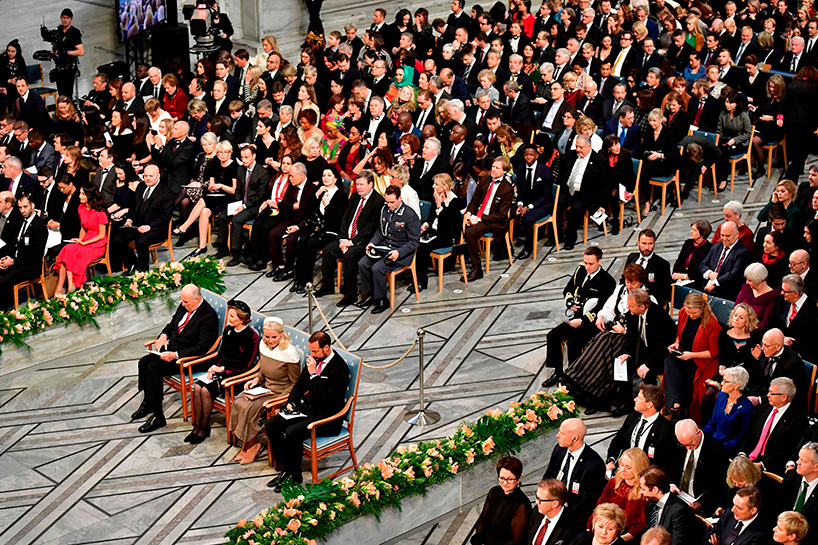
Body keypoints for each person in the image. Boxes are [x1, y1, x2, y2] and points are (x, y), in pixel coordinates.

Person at [265, 331, 349, 490]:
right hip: (309, 410)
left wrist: (314, 374)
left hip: (327, 417)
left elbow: (325, 399)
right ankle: (286, 468)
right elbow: (300, 385)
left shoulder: (339, 369)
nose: (312, 354)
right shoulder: (315, 360)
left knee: (292, 432)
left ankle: (294, 475)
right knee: (272, 424)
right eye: (311, 351)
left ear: (326, 348)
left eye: (315, 351)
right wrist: (291, 402)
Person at [131, 285, 220, 433]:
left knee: (153, 368)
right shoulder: (185, 306)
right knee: (144, 362)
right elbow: (172, 324)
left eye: (186, 302)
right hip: (174, 350)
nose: (183, 304)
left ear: (197, 299)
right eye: (182, 301)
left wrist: (175, 355)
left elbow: (202, 348)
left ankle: (158, 416)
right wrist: (163, 335)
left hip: (190, 359)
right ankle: (149, 402)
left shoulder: (208, 316)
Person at [230, 317, 300, 464]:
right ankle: (247, 444)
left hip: (280, 393)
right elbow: (263, 370)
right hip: (265, 388)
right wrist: (256, 379)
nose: (270, 341)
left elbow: (295, 383)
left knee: (249, 407)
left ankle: (253, 446)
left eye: (274, 337)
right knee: (239, 401)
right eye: (267, 337)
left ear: (281, 334)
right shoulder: (263, 345)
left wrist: (279, 401)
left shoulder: (289, 352)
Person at [543, 245, 616, 387]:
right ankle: (558, 372)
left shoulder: (607, 281)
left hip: (592, 323)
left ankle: (574, 377)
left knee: (573, 343)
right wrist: (570, 302)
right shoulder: (580, 270)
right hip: (576, 317)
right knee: (553, 336)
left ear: (599, 261)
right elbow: (568, 289)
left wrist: (582, 321)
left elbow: (602, 307)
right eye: (585, 262)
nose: (587, 267)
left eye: (591, 264)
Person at [188, 300, 259, 444]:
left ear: (242, 318)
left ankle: (203, 428)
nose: (228, 319)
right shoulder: (228, 330)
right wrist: (214, 368)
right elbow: (221, 354)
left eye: (232, 316)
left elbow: (245, 365)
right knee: (198, 387)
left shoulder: (252, 337)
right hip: (221, 371)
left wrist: (223, 369)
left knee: (205, 391)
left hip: (236, 376)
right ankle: (197, 427)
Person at [316, 171, 385, 305]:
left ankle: (350, 294)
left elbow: (371, 228)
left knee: (350, 256)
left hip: (363, 241)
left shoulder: (378, 201)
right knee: (328, 251)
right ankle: (327, 286)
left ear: (370, 184)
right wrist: (343, 239)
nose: (358, 187)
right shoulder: (354, 197)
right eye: (357, 184)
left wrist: (352, 242)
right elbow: (345, 218)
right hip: (346, 237)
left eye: (361, 185)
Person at [356, 185, 420, 313]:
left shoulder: (409, 215)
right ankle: (369, 295)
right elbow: (381, 230)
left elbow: (414, 241)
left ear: (400, 199)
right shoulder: (385, 209)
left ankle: (382, 299)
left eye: (392, 202)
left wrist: (399, 252)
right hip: (385, 247)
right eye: (387, 202)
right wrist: (372, 243)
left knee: (377, 268)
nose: (389, 205)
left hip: (402, 252)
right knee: (363, 263)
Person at [662, 292, 721, 423]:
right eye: (688, 312)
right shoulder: (683, 312)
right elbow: (679, 333)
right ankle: (676, 404)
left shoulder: (711, 323)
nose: (690, 315)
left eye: (694, 313)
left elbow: (713, 352)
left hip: (699, 362)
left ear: (702, 308)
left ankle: (675, 406)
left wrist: (691, 355)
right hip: (684, 355)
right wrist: (676, 344)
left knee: (675, 374)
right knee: (669, 361)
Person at [289, 167, 349, 293]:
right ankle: (298, 279)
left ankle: (306, 280)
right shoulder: (319, 191)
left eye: (329, 175)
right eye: (324, 175)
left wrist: (327, 205)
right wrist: (316, 195)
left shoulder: (341, 195)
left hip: (332, 231)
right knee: (302, 241)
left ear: (335, 178)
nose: (326, 178)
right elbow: (307, 211)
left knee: (310, 244)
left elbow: (337, 220)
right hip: (318, 229)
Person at [542, 418, 607, 531]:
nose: (557, 435)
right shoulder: (559, 449)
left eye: (562, 433)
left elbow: (587, 502)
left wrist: (561, 515)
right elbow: (548, 476)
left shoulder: (594, 464)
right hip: (551, 504)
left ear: (575, 438)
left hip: (573, 516)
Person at [109, 165, 174, 272]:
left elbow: (166, 216)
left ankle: (143, 271)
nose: (147, 178)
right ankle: (134, 263)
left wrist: (149, 226)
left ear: (158, 176)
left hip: (156, 228)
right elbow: (133, 206)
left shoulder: (166, 192)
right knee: (117, 238)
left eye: (151, 176)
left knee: (141, 241)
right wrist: (130, 219)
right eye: (145, 176)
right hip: (138, 224)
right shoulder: (141, 186)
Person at [739, 377, 809, 475]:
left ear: (784, 397)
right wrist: (742, 453)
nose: (767, 395)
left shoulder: (798, 420)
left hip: (771, 467)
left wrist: (762, 464)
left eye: (772, 393)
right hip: (748, 459)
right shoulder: (764, 408)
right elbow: (750, 433)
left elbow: (788, 450)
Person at [462, 156, 515, 281]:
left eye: (497, 168)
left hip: (494, 220)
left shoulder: (507, 189)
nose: (494, 170)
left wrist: (479, 220)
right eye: (493, 167)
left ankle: (476, 268)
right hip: (479, 214)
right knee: (460, 222)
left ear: (504, 171)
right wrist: (469, 213)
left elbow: (501, 215)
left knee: (470, 232)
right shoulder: (485, 180)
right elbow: (475, 200)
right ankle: (462, 254)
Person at [607, 384, 680, 474]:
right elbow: (618, 440)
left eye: (639, 398)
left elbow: (666, 462)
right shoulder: (633, 417)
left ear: (649, 404)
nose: (635, 399)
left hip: (646, 475)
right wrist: (611, 460)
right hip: (623, 469)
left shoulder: (666, 429)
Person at [52, 184, 108, 294]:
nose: (80, 196)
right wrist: (80, 240)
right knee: (67, 249)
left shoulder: (100, 212)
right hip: (86, 240)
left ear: (90, 195)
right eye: (80, 193)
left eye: (83, 194)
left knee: (70, 252)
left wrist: (85, 243)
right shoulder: (81, 208)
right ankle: (63, 286)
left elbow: (102, 235)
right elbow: (83, 228)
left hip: (97, 244)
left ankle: (69, 286)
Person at [671, 419, 730, 516]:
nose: (687, 448)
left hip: (701, 504)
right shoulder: (679, 441)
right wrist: (672, 484)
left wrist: (701, 503)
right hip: (677, 496)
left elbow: (718, 486)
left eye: (691, 444)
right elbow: (672, 466)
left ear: (698, 433)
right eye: (684, 445)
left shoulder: (716, 450)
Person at [415, 173, 463, 292]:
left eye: (436, 184)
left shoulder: (454, 201)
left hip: (447, 235)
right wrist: (425, 225)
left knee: (422, 247)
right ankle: (416, 278)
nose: (433, 186)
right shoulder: (436, 196)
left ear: (445, 186)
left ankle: (422, 282)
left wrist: (439, 205)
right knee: (415, 241)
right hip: (434, 232)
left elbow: (446, 222)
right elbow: (432, 216)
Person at [470, 456, 532, 545]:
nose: (505, 483)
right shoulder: (494, 491)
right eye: (502, 478)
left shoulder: (522, 504)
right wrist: (478, 538)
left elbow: (516, 540)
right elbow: (482, 520)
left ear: (518, 478)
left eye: (510, 479)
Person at [0, 193, 46, 309]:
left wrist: (13, 261)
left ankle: (7, 309)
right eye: (20, 207)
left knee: (3, 282)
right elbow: (14, 243)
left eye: (25, 207)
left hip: (29, 266)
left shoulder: (39, 226)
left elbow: (36, 255)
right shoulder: (21, 221)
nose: (22, 210)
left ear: (32, 205)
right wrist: (5, 258)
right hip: (16, 261)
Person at [592, 448, 649, 541]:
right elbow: (599, 508)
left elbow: (640, 526)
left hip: (627, 536)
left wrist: (620, 540)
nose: (622, 469)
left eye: (628, 467)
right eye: (621, 465)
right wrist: (591, 529)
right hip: (604, 529)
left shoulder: (643, 491)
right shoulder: (613, 482)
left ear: (639, 469)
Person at [638, 465, 701, 545]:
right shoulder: (652, 504)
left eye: (643, 489)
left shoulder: (680, 512)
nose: (640, 492)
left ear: (655, 490)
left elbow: (678, 543)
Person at [513, 145, 553, 259]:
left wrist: (529, 207)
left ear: (536, 156)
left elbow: (546, 196)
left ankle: (528, 248)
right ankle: (505, 248)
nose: (528, 157)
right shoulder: (520, 170)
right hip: (526, 201)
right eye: (526, 155)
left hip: (543, 204)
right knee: (509, 211)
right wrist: (520, 204)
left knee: (527, 219)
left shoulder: (545, 171)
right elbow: (521, 191)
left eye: (531, 155)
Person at [699, 221, 752, 300]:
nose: (724, 239)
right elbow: (703, 264)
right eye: (722, 235)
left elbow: (735, 274)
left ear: (737, 234)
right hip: (706, 288)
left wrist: (715, 282)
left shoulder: (743, 252)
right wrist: (710, 274)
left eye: (728, 236)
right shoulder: (716, 247)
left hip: (726, 294)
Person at [772, 275, 818, 363]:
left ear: (796, 293)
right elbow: (772, 323)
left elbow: (812, 339)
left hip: (801, 356)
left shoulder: (813, 308)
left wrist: (797, 357)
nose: (781, 293)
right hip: (777, 349)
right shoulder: (781, 301)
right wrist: (781, 338)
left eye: (785, 291)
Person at [623, 229, 672, 308]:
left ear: (654, 243)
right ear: (638, 243)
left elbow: (665, 292)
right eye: (644, 243)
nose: (647, 247)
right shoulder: (632, 257)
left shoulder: (662, 264)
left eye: (650, 244)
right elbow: (623, 279)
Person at [780, 445, 818, 539]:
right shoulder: (791, 478)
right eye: (799, 458)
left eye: (803, 461)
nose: (797, 462)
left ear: (816, 467)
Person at [529, 479, 579, 545]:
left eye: (540, 500)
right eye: (537, 498)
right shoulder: (537, 511)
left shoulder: (571, 527)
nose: (537, 502)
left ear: (555, 503)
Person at [49, 9, 84, 99]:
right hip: (59, 66)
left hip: (69, 67)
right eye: (64, 18)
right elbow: (53, 47)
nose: (65, 20)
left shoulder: (74, 33)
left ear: (71, 19)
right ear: (61, 18)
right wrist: (55, 51)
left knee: (68, 94)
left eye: (67, 18)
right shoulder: (58, 31)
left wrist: (67, 52)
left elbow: (81, 51)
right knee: (61, 93)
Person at [736, 264, 780, 329]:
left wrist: (746, 330)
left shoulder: (771, 297)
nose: (747, 282)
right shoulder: (746, 289)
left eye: (750, 280)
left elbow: (763, 323)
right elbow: (735, 310)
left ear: (759, 280)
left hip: (754, 331)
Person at [672, 220, 712, 285]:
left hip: (696, 282)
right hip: (679, 279)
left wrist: (683, 276)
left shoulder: (709, 248)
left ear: (702, 233)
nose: (691, 232)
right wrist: (678, 275)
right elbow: (678, 262)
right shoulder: (688, 243)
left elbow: (700, 271)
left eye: (694, 230)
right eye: (691, 229)